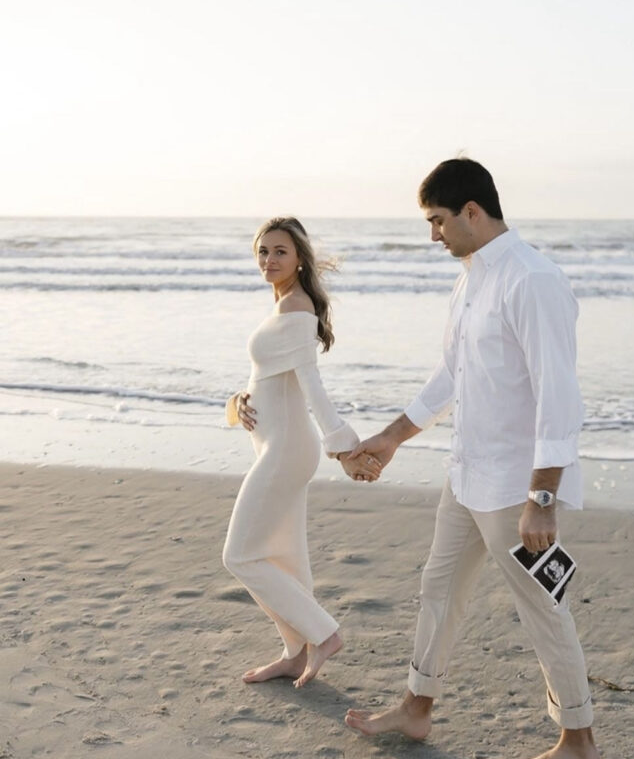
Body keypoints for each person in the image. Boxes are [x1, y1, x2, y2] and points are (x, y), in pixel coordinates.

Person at [344, 160, 600, 759]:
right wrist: (393, 436)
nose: (433, 235)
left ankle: (579, 739)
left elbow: (558, 394)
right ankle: (416, 708)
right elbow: (452, 373)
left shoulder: (531, 280)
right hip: (466, 475)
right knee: (438, 588)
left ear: (473, 212)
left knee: (543, 606)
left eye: (437, 221)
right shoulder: (471, 280)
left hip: (517, 486)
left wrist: (542, 498)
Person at [222, 216, 382, 688]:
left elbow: (312, 386)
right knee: (282, 555)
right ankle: (294, 653)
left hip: (287, 450)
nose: (268, 260)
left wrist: (344, 448)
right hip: (278, 446)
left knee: (239, 556)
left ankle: (322, 634)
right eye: (263, 251)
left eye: (280, 252)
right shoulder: (284, 305)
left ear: (299, 259)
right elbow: (273, 377)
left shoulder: (295, 306)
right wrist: (237, 403)